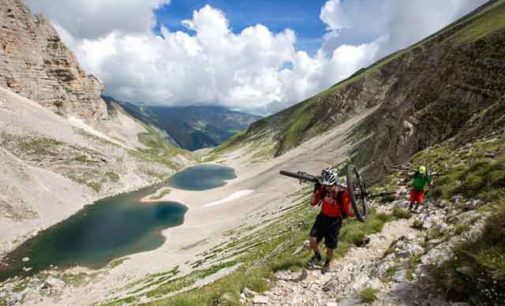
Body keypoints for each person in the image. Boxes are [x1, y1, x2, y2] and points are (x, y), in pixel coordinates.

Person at [307, 168, 354, 274]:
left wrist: (352, 201)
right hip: (322, 217)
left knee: (330, 246)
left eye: (330, 185)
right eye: (326, 185)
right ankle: (317, 256)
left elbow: (350, 213)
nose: (328, 187)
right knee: (312, 239)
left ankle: (327, 264)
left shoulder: (343, 194)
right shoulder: (323, 189)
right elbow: (313, 202)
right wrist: (315, 191)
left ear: (335, 182)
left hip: (335, 221)